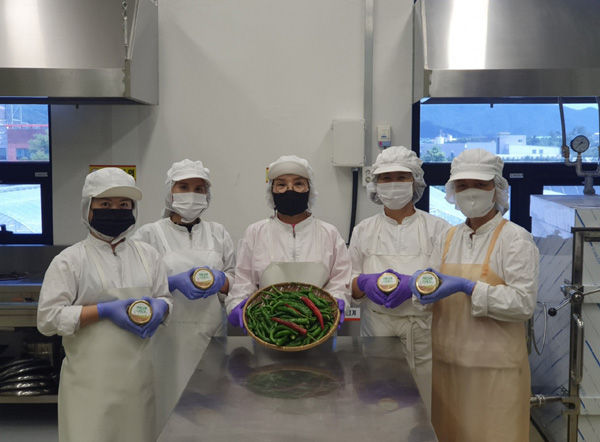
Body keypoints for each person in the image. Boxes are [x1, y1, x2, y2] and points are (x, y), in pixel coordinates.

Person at [411, 149, 539, 442]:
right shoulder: (447, 237)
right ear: (453, 191)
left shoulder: (515, 239)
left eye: (480, 185)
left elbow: (523, 304)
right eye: (463, 185)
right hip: (448, 366)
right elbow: (431, 289)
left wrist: (469, 287)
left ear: (497, 188)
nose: (471, 192)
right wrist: (420, 289)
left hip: (496, 371)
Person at [37, 167, 172, 442]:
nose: (116, 210)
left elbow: (164, 297)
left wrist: (163, 308)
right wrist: (103, 311)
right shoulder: (70, 261)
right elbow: (48, 320)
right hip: (89, 388)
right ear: (88, 209)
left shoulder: (148, 255)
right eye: (105, 204)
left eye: (124, 204)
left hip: (138, 384)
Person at [133, 159, 235, 430]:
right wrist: (170, 282)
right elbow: (136, 286)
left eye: (199, 188)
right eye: (184, 187)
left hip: (211, 336)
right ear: (170, 191)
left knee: (210, 416)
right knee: (167, 415)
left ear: (207, 195)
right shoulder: (148, 235)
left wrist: (223, 281)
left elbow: (235, 280)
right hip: (167, 340)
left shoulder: (219, 233)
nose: (192, 194)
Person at [349, 146, 449, 415]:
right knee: (380, 407)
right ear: (375, 184)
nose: (393, 184)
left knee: (423, 410)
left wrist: (414, 287)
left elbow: (448, 284)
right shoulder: (363, 230)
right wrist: (365, 282)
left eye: (401, 177)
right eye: (386, 178)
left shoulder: (438, 229)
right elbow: (350, 286)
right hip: (377, 330)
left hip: (423, 331)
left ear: (415, 182)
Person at [225, 155, 351, 327]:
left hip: (318, 325)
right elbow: (243, 284)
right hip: (268, 326)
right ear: (272, 191)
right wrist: (236, 305)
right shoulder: (255, 233)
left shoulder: (329, 233)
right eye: (281, 185)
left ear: (309, 190)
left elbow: (340, 283)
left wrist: (337, 302)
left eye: (298, 184)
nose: (289, 190)